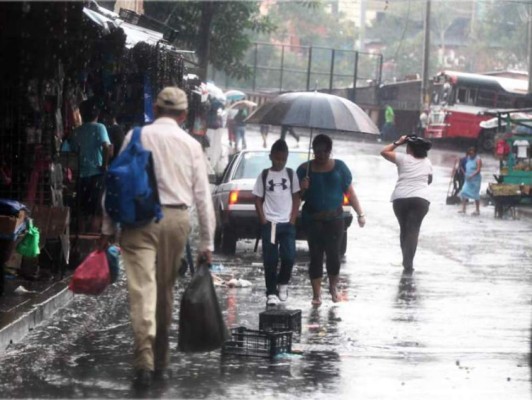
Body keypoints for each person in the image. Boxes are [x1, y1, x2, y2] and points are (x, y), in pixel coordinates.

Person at [99, 87, 215, 388]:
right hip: (176, 220)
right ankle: (161, 361)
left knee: (142, 291)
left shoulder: (136, 136)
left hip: (138, 220)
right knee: (164, 292)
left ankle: (144, 362)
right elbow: (203, 198)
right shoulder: (191, 144)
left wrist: (107, 228)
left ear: (156, 109)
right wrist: (207, 244)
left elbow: (116, 182)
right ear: (184, 114)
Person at [297, 134, 365, 306]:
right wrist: (302, 188)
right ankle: (316, 294)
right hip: (313, 219)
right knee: (315, 255)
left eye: (324, 152)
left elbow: (350, 192)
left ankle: (333, 287)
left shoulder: (340, 168)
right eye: (317, 152)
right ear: (313, 151)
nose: (321, 155)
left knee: (334, 255)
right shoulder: (304, 170)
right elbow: (298, 197)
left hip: (335, 219)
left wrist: (360, 213)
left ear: (330, 151)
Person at [252, 139, 301, 306]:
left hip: (287, 223)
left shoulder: (291, 174)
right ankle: (271, 292)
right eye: (277, 159)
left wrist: (292, 219)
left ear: (287, 158)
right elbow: (257, 199)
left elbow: (296, 198)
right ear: (271, 157)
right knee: (270, 259)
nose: (280, 162)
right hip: (270, 223)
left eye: (283, 159)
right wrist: (263, 220)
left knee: (289, 256)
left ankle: (283, 282)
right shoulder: (264, 175)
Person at [380, 134, 433, 273]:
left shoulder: (403, 159)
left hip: (400, 199)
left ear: (409, 148)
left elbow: (384, 152)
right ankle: (408, 263)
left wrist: (398, 142)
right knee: (413, 231)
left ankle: (406, 260)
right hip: (421, 200)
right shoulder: (427, 162)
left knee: (404, 230)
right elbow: (429, 180)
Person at [63, 98, 111, 233]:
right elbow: (106, 147)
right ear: (96, 114)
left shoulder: (76, 132)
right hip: (96, 175)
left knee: (82, 210)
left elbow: (70, 151)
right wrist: (105, 165)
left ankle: (81, 238)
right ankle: (91, 240)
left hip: (81, 176)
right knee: (96, 211)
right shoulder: (100, 127)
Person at [458, 146, 482, 215]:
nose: (471, 155)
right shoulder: (468, 158)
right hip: (467, 179)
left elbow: (478, 170)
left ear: (475, 153)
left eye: (472, 153)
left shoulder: (478, 159)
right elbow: (461, 163)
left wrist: (472, 175)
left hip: (475, 180)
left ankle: (477, 210)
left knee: (475, 194)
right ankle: (463, 209)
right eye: (470, 153)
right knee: (463, 192)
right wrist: (464, 172)